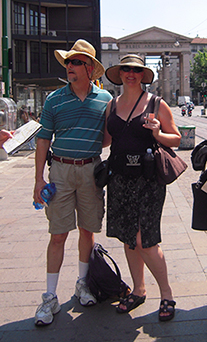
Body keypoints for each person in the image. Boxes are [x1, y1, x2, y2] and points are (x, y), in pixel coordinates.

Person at [33, 40, 112, 326]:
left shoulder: (105, 100)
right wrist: (38, 179)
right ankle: (50, 297)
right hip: (61, 172)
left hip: (91, 170)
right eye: (69, 62)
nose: (70, 66)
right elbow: (43, 140)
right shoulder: (54, 99)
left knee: (88, 231)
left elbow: (107, 137)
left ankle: (82, 283)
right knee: (58, 233)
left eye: (77, 62)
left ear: (90, 69)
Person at [103, 54, 181, 321]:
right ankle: (138, 289)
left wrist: (158, 133)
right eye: (126, 69)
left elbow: (177, 139)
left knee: (144, 239)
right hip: (119, 178)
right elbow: (104, 140)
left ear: (143, 74)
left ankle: (167, 294)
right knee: (128, 237)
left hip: (147, 180)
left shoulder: (156, 104)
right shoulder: (111, 105)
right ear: (120, 73)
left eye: (136, 70)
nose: (131, 74)